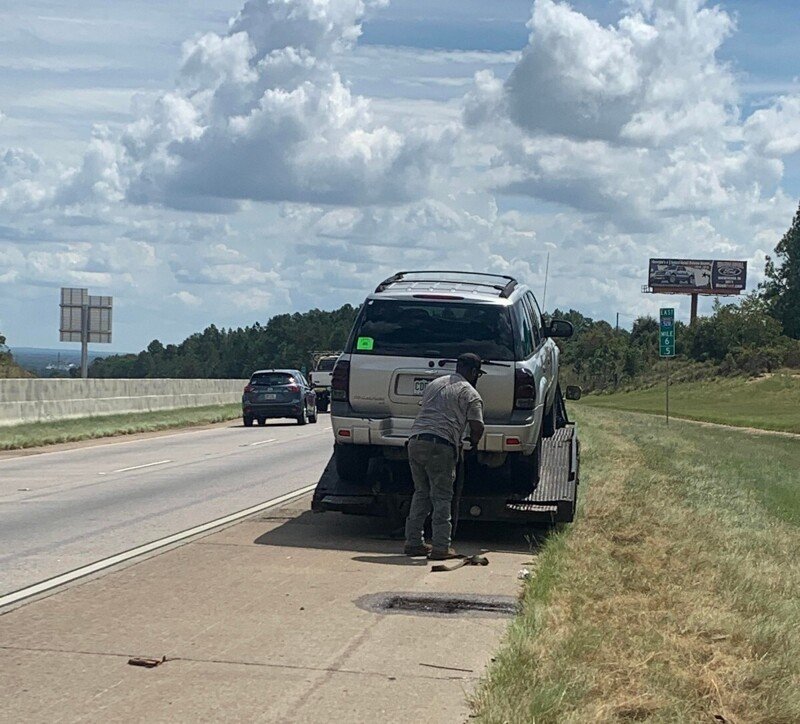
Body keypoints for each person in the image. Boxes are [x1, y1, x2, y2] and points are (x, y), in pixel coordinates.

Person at [404, 352, 485, 560]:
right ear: (473, 371)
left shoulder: (435, 384)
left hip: (415, 441)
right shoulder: (470, 393)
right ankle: (441, 547)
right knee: (441, 497)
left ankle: (413, 542)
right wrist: (474, 442)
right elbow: (477, 426)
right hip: (440, 445)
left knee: (421, 492)